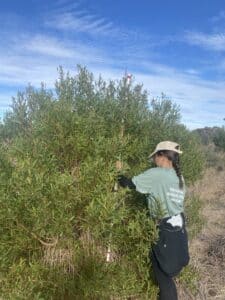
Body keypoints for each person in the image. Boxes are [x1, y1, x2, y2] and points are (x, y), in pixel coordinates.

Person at [116, 141, 189, 300]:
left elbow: (129, 184)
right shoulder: (178, 176)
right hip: (179, 229)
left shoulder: (157, 173)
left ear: (162, 155)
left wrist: (118, 173)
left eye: (155, 156)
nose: (154, 160)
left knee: (164, 279)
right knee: (167, 278)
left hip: (163, 231)